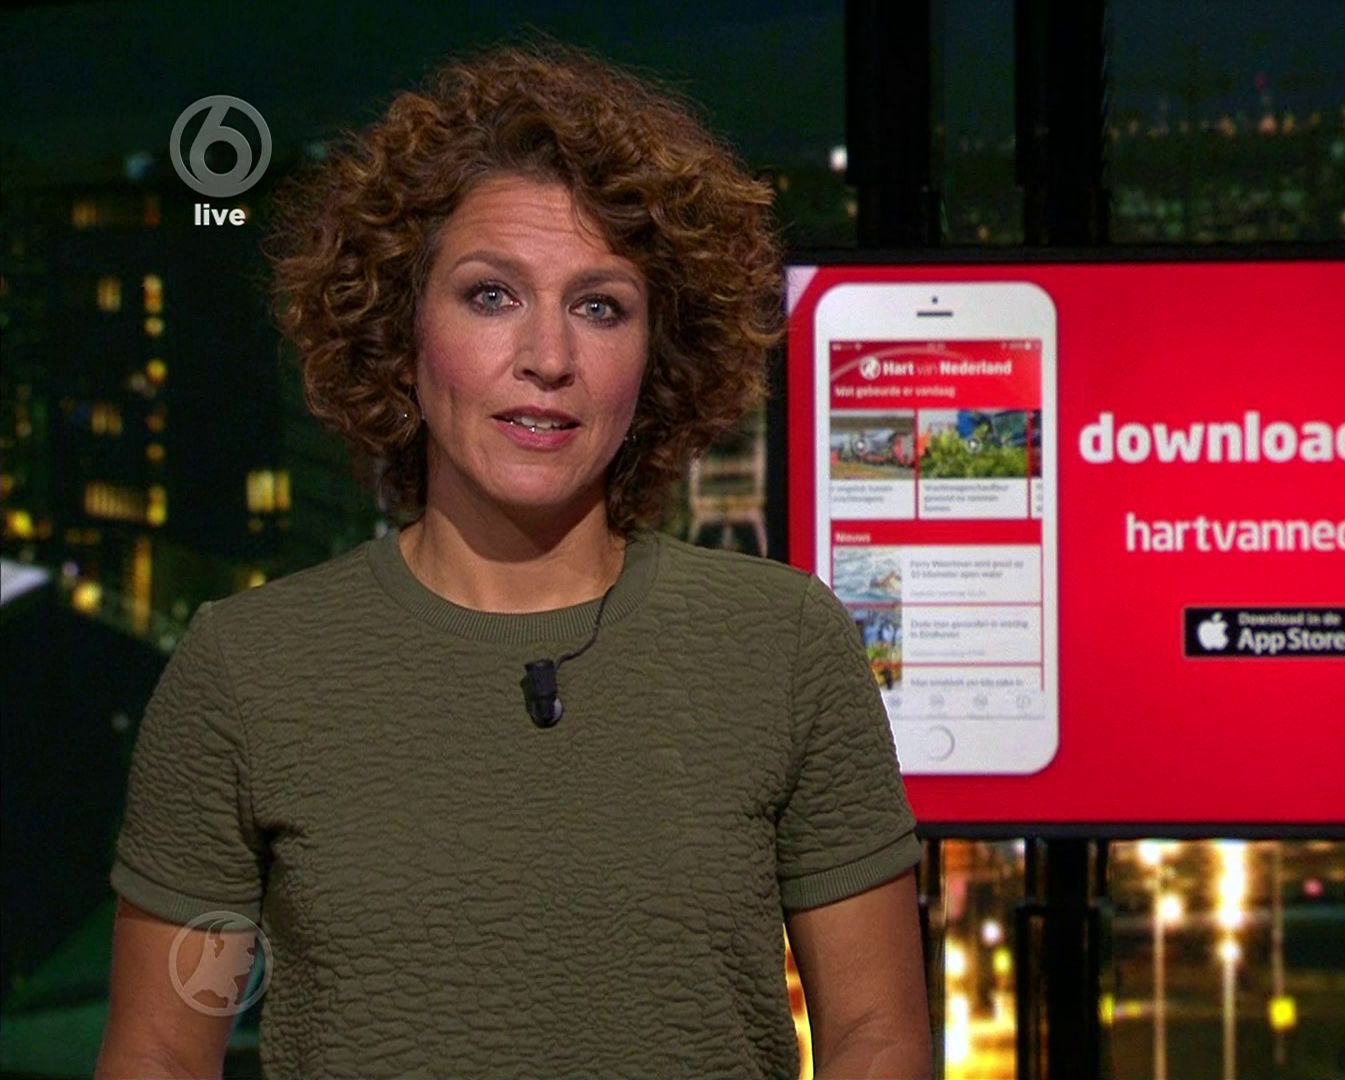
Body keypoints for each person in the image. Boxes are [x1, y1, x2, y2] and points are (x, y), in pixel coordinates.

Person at [95, 43, 931, 1080]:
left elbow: (878, 1037)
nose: (548, 357)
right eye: (492, 296)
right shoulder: (246, 669)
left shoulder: (785, 644)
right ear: (402, 330)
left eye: (600, 306)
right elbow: (159, 1054)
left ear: (658, 355)